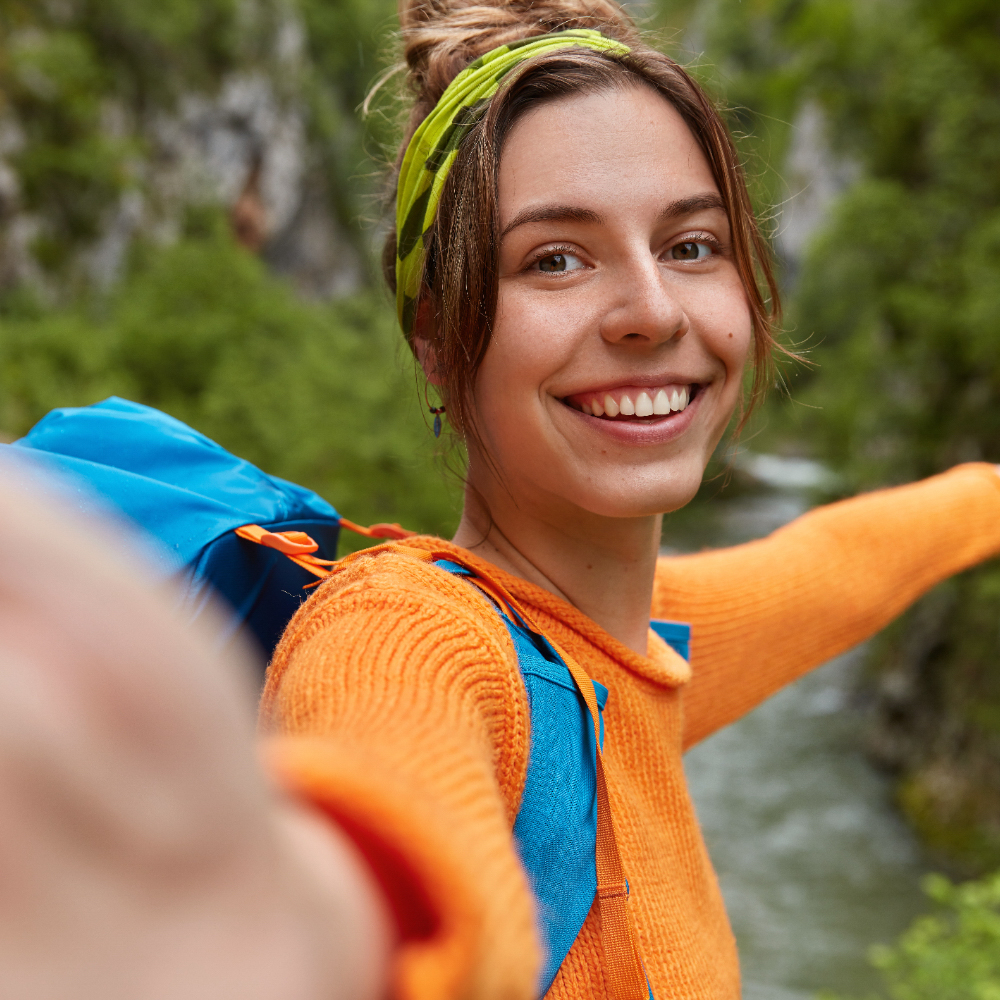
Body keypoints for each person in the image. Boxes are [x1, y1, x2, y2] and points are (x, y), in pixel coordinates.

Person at [5, 2, 1000, 999]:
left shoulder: (632, 642)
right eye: (554, 259)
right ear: (437, 339)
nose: (651, 311)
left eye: (691, 244)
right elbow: (395, 856)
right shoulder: (403, 635)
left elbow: (835, 567)